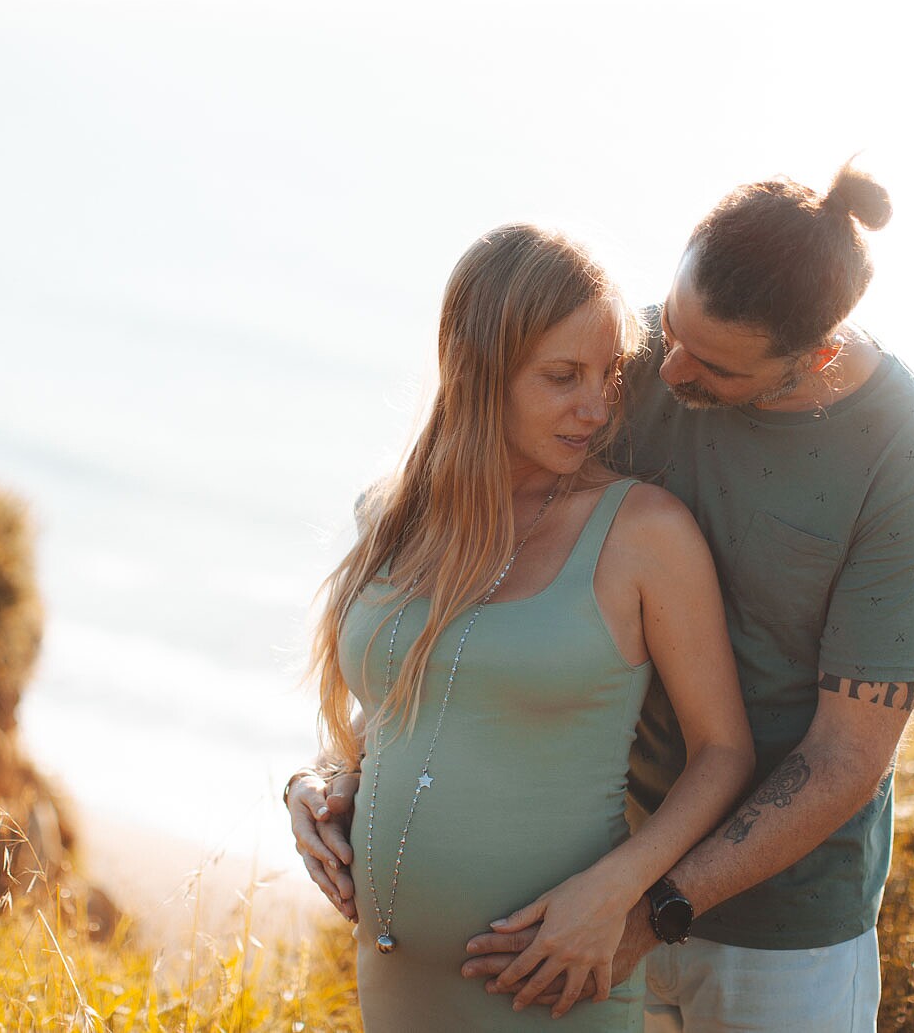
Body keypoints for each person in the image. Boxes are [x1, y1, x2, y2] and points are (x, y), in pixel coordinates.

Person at [294, 162, 914, 1031]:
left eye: (713, 365)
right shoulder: (624, 363)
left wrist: (645, 908)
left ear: (818, 355)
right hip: (580, 890)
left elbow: (845, 757)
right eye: (669, 328)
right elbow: (458, 617)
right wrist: (330, 773)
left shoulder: (911, 460)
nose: (664, 366)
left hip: (776, 929)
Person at [292, 223, 755, 1031]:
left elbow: (723, 753)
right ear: (476, 372)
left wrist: (618, 893)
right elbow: (413, 702)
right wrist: (318, 784)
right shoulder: (394, 513)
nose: (597, 406)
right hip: (397, 985)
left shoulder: (643, 532)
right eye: (561, 376)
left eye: (607, 374)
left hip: (558, 985)